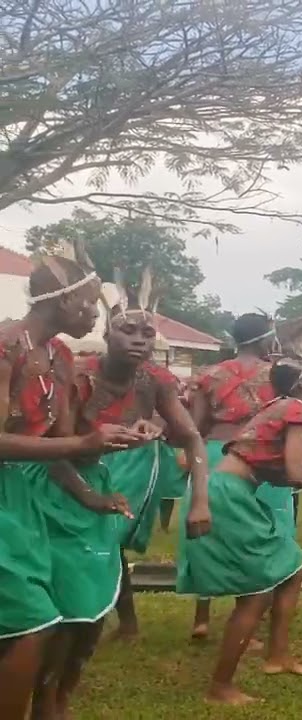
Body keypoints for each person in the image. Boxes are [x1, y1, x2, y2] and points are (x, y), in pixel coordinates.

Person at [0, 248, 144, 719]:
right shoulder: (6, 347)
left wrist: (92, 492)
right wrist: (84, 441)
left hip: (22, 498)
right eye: (87, 303)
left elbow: (58, 445)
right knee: (31, 623)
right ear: (61, 301)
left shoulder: (60, 357)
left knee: (31, 620)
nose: (94, 314)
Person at [177, 354, 302, 705]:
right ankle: (220, 687)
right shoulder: (296, 409)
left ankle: (278, 655)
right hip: (229, 494)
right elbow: (296, 474)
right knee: (257, 593)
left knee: (294, 568)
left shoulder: (278, 407)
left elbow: (276, 474)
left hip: (229, 490)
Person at [68, 274, 213, 645]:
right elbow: (52, 438)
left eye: (147, 334)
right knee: (91, 546)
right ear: (106, 335)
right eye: (128, 331)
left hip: (127, 468)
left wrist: (200, 501)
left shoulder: (156, 379)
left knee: (108, 540)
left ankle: (108, 624)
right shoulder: (77, 373)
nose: (138, 340)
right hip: (69, 468)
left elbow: (192, 437)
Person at [186, 311, 282, 640]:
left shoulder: (209, 375)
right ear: (265, 339)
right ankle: (250, 619)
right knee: (257, 535)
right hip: (259, 458)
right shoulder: (277, 375)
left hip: (214, 455)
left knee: (211, 534)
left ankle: (201, 618)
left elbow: (195, 429)